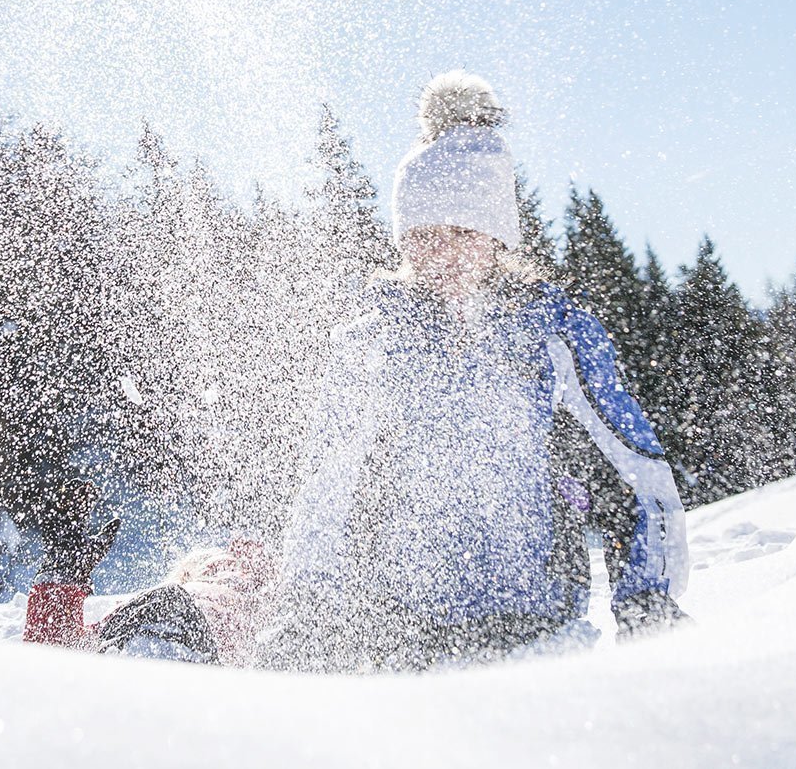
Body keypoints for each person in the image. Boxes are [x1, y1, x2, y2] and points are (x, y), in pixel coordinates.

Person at [264, 70, 691, 671]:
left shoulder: (553, 336)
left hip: (540, 626)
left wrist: (648, 598)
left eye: (461, 230)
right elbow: (325, 490)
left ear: (497, 235)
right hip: (400, 632)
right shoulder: (371, 341)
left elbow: (636, 473)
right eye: (421, 234)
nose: (439, 251)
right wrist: (305, 610)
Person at [22, 480, 276, 666]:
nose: (226, 569)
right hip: (168, 642)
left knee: (166, 601)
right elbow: (63, 648)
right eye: (216, 566)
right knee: (165, 601)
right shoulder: (164, 598)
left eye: (225, 566)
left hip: (195, 656)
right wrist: (63, 572)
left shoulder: (259, 607)